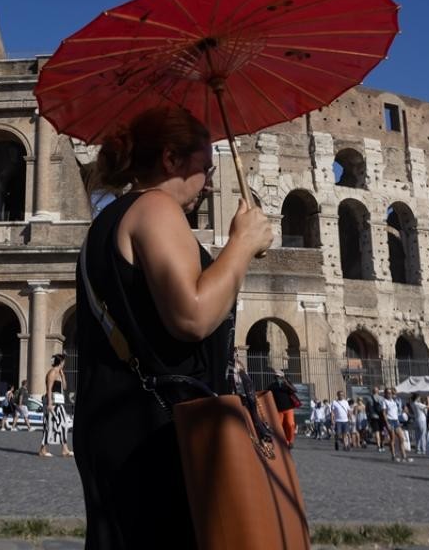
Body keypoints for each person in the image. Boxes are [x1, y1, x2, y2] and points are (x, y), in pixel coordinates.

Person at [72, 106, 273, 549]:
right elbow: (192, 316)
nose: (209, 181)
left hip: (115, 425)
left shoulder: (107, 223)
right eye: (203, 167)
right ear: (170, 160)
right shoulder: (156, 209)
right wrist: (241, 244)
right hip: (159, 432)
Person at [39, 353, 74, 457]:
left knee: (63, 425)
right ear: (61, 362)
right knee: (49, 426)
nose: (64, 363)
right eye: (64, 361)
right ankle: (42, 450)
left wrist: (63, 376)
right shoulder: (52, 373)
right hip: (52, 403)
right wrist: (49, 403)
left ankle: (65, 449)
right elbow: (49, 389)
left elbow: (65, 387)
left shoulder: (59, 373)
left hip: (59, 403)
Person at [267, 370, 299, 447]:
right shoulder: (272, 386)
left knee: (290, 424)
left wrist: (287, 383)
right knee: (279, 426)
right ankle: (280, 440)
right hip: (278, 410)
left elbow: (295, 390)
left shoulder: (287, 385)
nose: (278, 378)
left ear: (282, 377)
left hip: (288, 409)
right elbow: (266, 393)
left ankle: (290, 441)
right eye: (276, 377)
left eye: (279, 377)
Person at [382, 388, 409, 463]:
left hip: (396, 421)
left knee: (402, 438)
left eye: (390, 393)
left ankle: (404, 456)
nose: (390, 394)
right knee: (392, 439)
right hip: (390, 421)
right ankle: (393, 455)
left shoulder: (394, 401)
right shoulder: (385, 401)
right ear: (385, 394)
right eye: (388, 393)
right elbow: (384, 413)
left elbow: (397, 410)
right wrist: (387, 423)